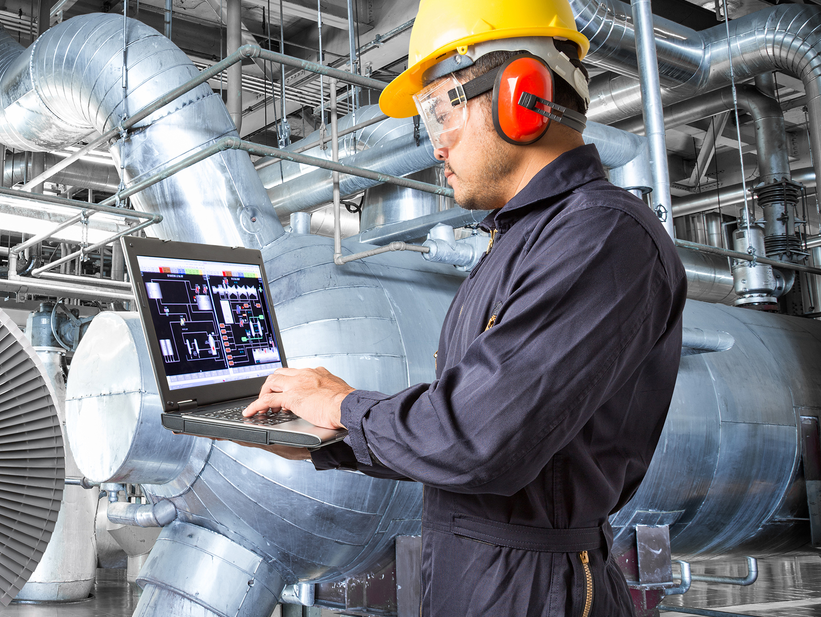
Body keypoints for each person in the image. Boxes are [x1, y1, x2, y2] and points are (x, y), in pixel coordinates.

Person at [238, 0, 687, 614]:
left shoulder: (602, 237)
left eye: (441, 112)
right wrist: (331, 436)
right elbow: (468, 423)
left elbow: (479, 438)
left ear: (521, 95)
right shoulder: (522, 240)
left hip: (535, 591)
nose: (435, 147)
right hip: (480, 576)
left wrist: (343, 407)